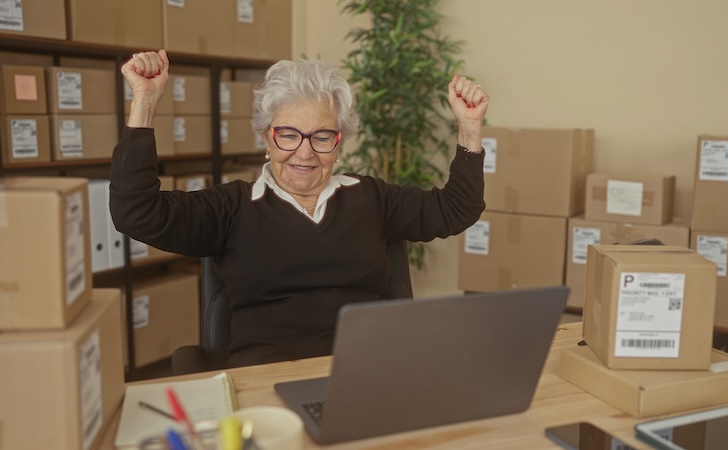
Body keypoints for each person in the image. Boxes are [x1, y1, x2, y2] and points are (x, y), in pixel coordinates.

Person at [111, 49, 490, 368]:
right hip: (266, 383)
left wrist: (469, 127)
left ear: (339, 143)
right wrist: (145, 102)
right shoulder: (231, 207)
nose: (304, 152)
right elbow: (137, 213)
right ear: (266, 138)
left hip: (365, 375)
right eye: (289, 134)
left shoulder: (371, 197)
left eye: (322, 136)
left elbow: (456, 209)